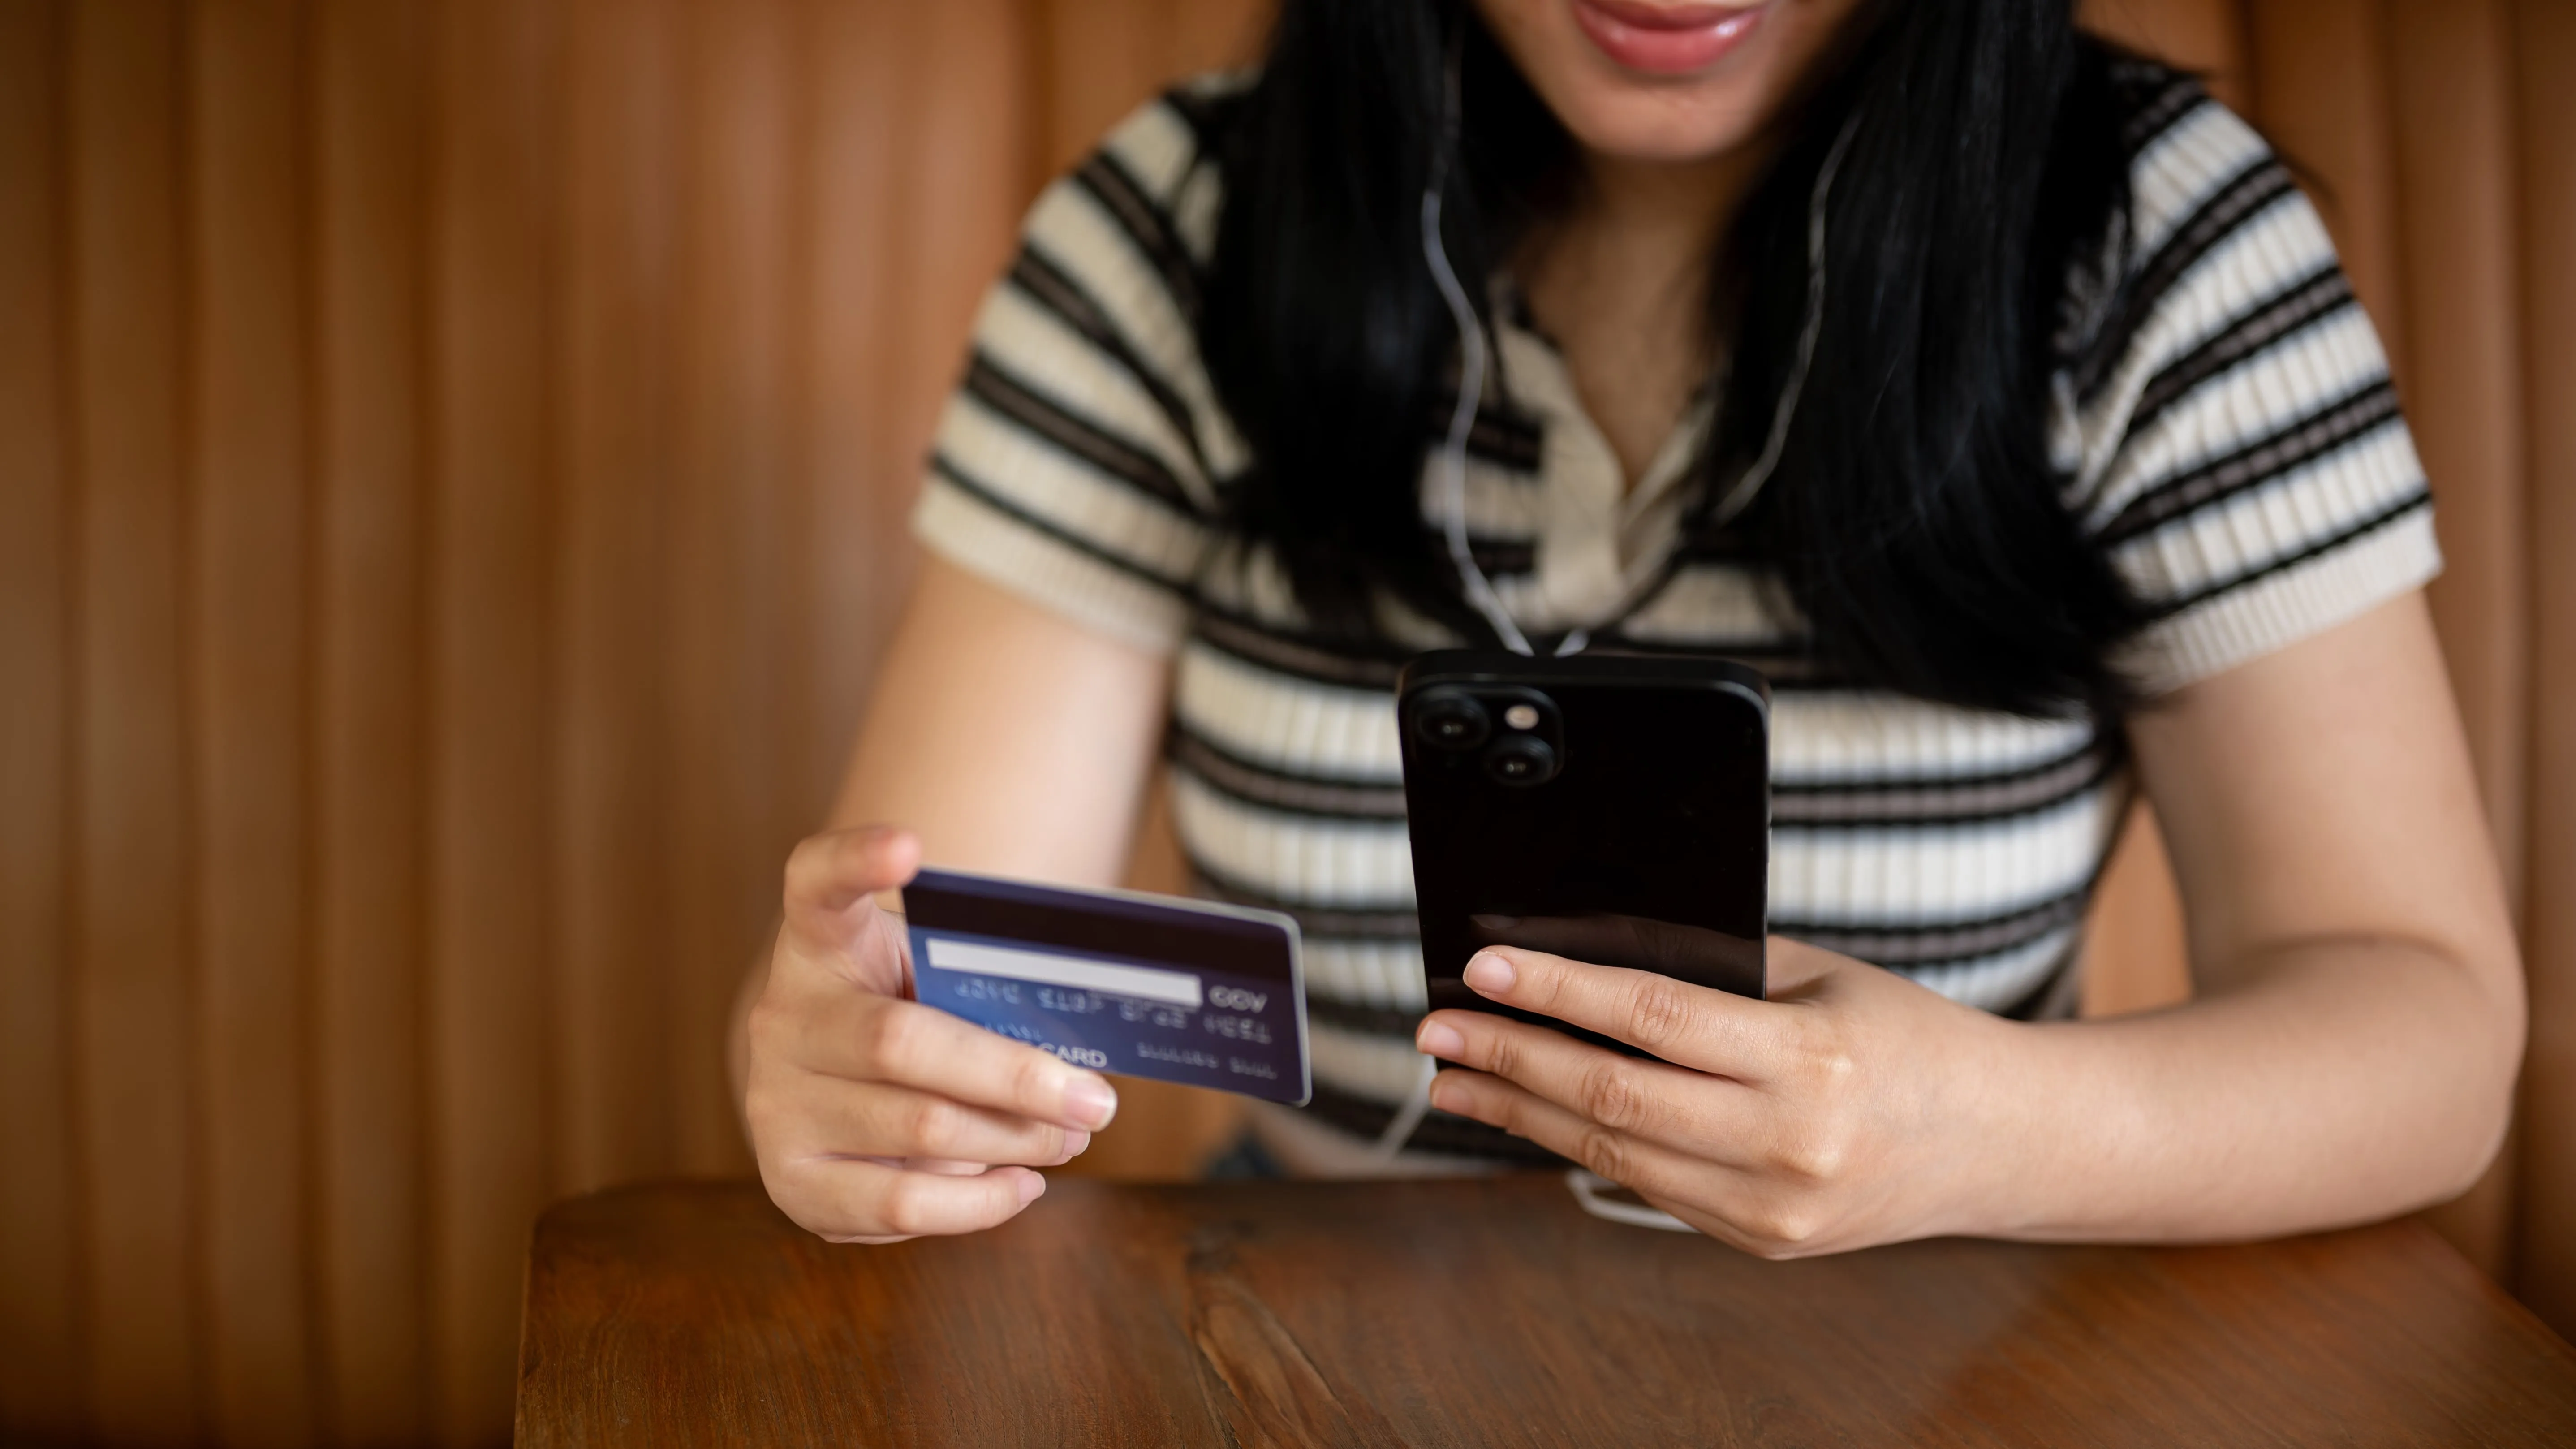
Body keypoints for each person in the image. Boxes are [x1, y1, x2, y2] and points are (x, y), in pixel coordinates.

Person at [734, 0, 2524, 1255]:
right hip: (1297, 1341)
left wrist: (1981, 1133)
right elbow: (937, 969)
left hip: (1943, 1365)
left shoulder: (2150, 243)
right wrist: (843, 1065)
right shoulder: (1174, 242)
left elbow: (2425, 1032)